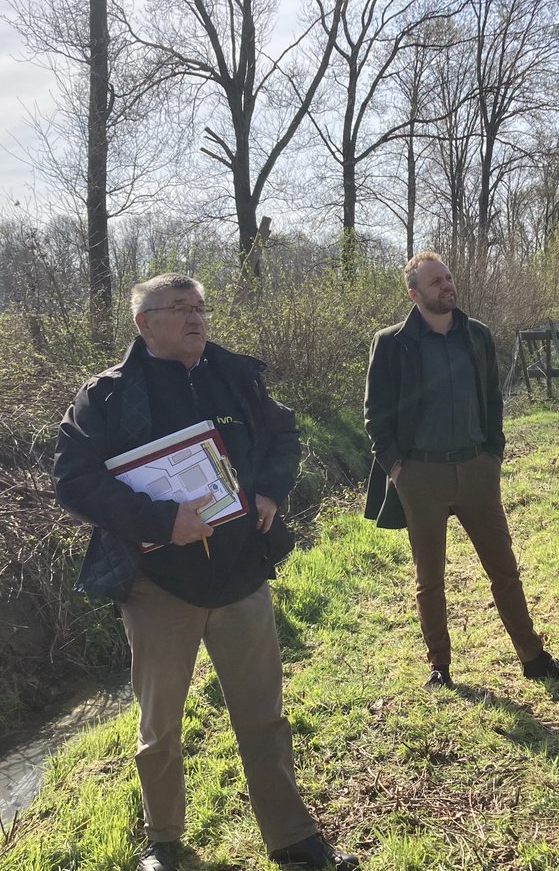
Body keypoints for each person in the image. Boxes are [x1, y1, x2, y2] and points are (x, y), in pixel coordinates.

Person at [54, 274, 357, 871]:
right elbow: (74, 480)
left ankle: (294, 840)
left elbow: (283, 437)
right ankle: (165, 844)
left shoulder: (235, 376)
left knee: (263, 715)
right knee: (159, 727)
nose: (196, 318)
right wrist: (162, 521)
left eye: (199, 308)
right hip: (158, 583)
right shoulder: (107, 397)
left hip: (242, 574)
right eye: (179, 309)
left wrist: (270, 492)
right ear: (143, 324)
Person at [364, 251, 559, 690]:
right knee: (430, 579)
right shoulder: (391, 342)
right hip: (420, 476)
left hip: (476, 470)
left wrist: (493, 454)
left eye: (448, 278)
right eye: (435, 282)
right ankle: (440, 668)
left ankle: (534, 658)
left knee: (503, 569)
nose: (447, 286)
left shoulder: (478, 335)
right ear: (414, 294)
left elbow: (492, 400)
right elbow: (375, 412)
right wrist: (396, 468)